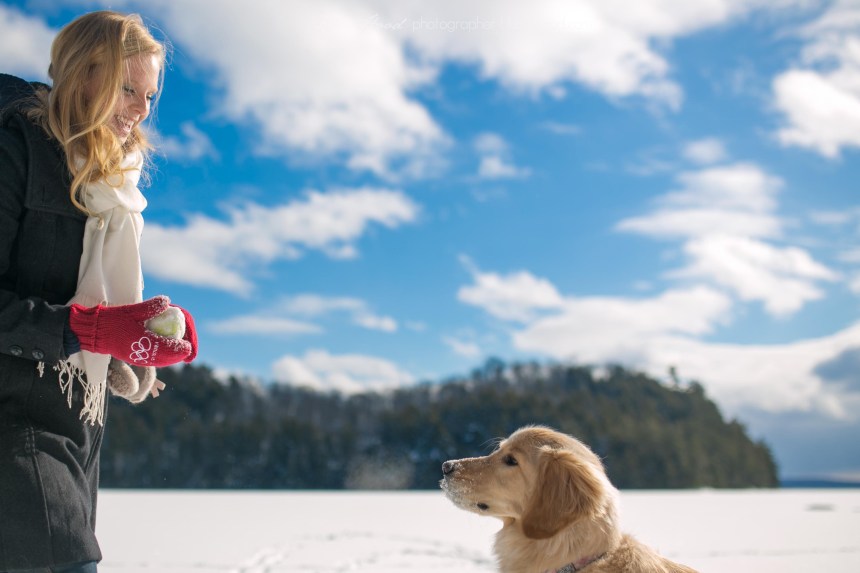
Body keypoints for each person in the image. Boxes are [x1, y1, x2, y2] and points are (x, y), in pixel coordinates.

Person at [0, 11, 198, 572]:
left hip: (74, 426)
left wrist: (130, 343)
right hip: (11, 424)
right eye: (127, 88)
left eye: (149, 96)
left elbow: (90, 299)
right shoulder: (15, 152)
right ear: (82, 74)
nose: (139, 110)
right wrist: (87, 330)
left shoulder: (112, 185)